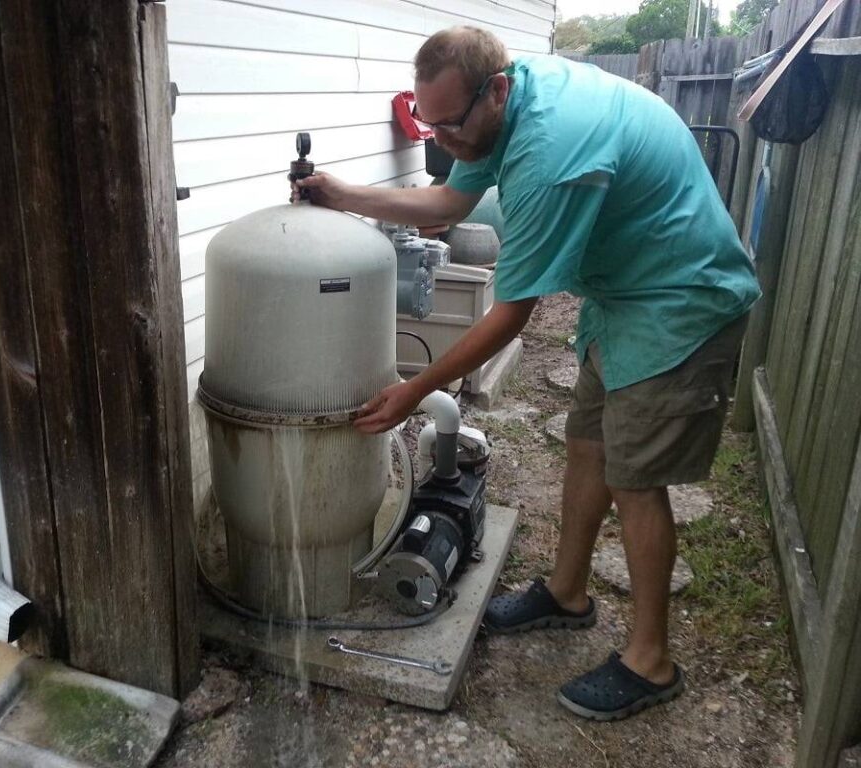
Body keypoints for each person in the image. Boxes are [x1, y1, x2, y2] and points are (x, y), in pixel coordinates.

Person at [294, 26, 760, 721]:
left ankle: (651, 661)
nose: (439, 138)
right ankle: (567, 594)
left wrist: (415, 393)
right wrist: (347, 194)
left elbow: (510, 316)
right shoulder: (499, 106)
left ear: (496, 93)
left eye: (447, 124)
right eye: (427, 121)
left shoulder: (550, 152)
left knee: (635, 480)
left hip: (680, 301)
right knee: (588, 447)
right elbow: (451, 203)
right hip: (624, 296)